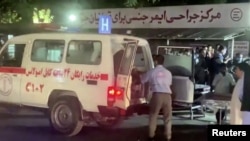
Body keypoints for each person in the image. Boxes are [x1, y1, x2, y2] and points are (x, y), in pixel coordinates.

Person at [132, 55, 173, 141]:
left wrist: (135, 73)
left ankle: (151, 136)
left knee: (153, 116)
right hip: (168, 96)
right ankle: (168, 137)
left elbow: (142, 80)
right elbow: (169, 83)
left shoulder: (152, 72)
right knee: (168, 117)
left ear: (156, 62)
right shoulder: (168, 73)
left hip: (157, 95)